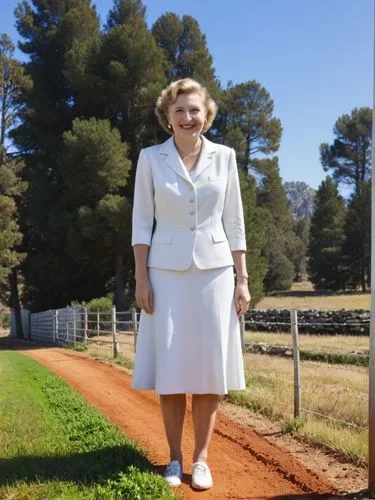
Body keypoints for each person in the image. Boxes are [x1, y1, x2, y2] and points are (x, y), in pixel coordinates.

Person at [131, 78, 251, 491]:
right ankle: (173, 458)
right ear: (167, 116)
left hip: (216, 273)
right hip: (164, 273)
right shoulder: (150, 158)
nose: (188, 117)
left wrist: (242, 280)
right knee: (171, 369)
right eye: (179, 110)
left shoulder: (226, 157)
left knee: (207, 371)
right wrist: (141, 276)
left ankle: (201, 460)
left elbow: (234, 222)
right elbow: (141, 222)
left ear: (207, 114)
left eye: (195, 110)